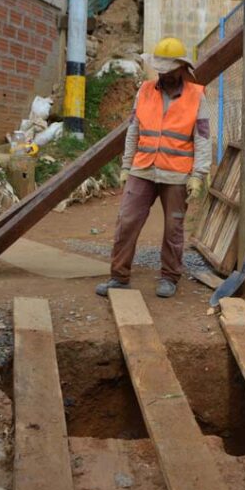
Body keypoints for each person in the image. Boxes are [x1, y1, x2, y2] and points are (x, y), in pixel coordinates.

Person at [95, 38, 210, 299]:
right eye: (160, 69)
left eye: (169, 70)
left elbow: (203, 138)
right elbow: (133, 130)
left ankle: (169, 277)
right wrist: (126, 166)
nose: (163, 75)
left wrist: (198, 175)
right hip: (142, 169)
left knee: (173, 228)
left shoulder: (197, 96)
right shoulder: (145, 91)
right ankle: (118, 277)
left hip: (176, 174)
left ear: (181, 68)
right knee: (126, 221)